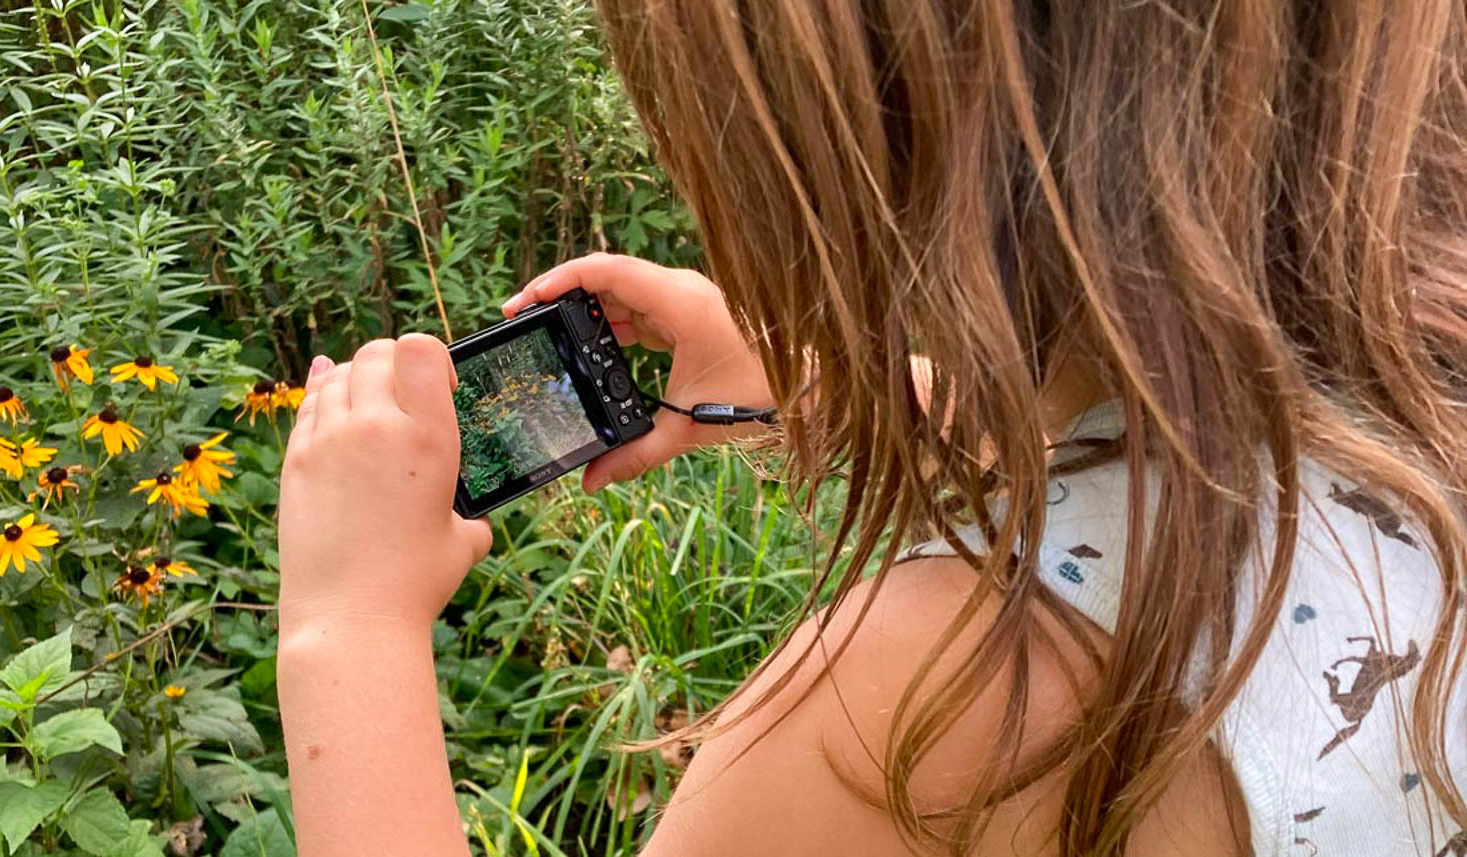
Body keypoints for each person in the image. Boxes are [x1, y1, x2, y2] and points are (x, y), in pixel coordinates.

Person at [273, 1, 1467, 855]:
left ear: (838, 172)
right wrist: (827, 383)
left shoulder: (921, 700)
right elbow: (1155, 476)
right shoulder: (1426, 394)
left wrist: (347, 625)